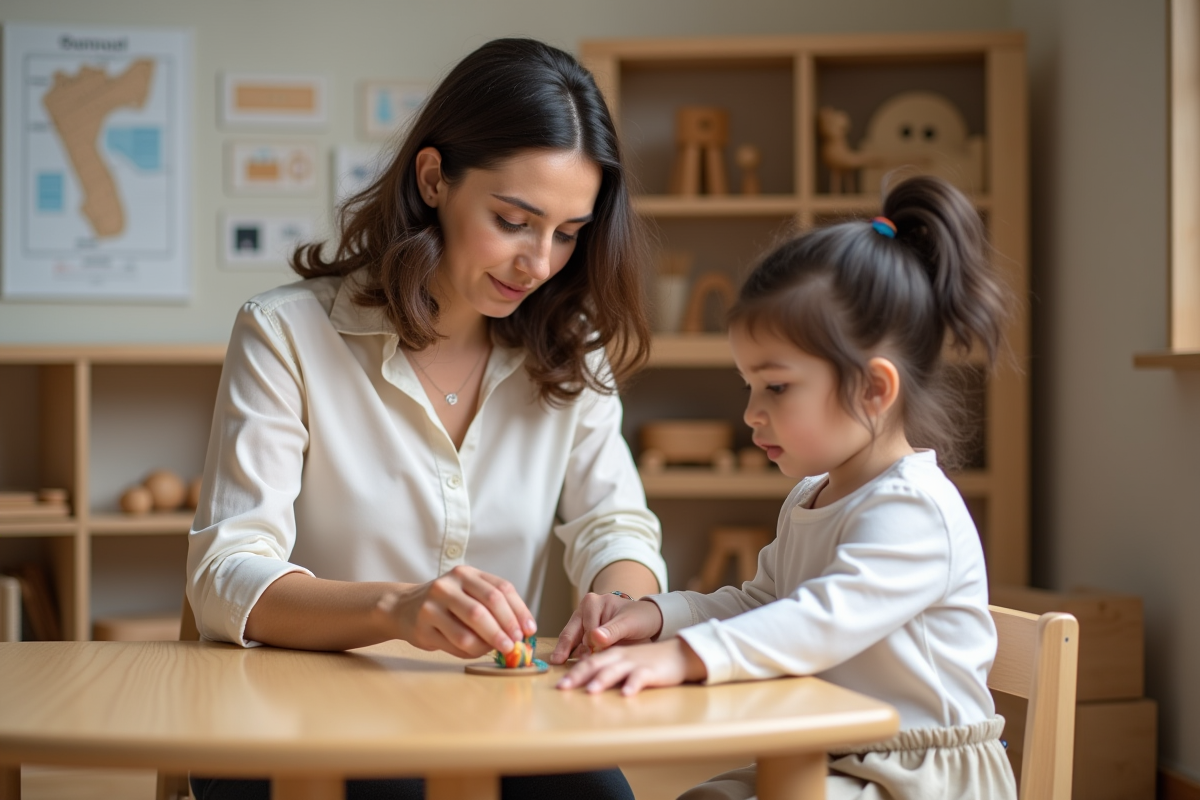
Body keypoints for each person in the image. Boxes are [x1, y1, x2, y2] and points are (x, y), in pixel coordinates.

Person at [186, 37, 667, 800]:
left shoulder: (573, 351)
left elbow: (616, 525)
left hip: (493, 711)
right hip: (294, 712)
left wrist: (622, 600)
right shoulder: (285, 335)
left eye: (569, 234)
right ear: (435, 178)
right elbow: (224, 576)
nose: (540, 264)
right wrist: (396, 607)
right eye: (515, 220)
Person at [555, 175, 1020, 800]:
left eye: (775, 387)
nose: (751, 412)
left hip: (920, 775)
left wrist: (684, 659)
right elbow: (763, 606)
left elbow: (817, 622)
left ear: (874, 390)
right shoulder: (811, 498)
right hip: (833, 759)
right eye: (750, 385)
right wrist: (659, 616)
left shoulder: (913, 509)